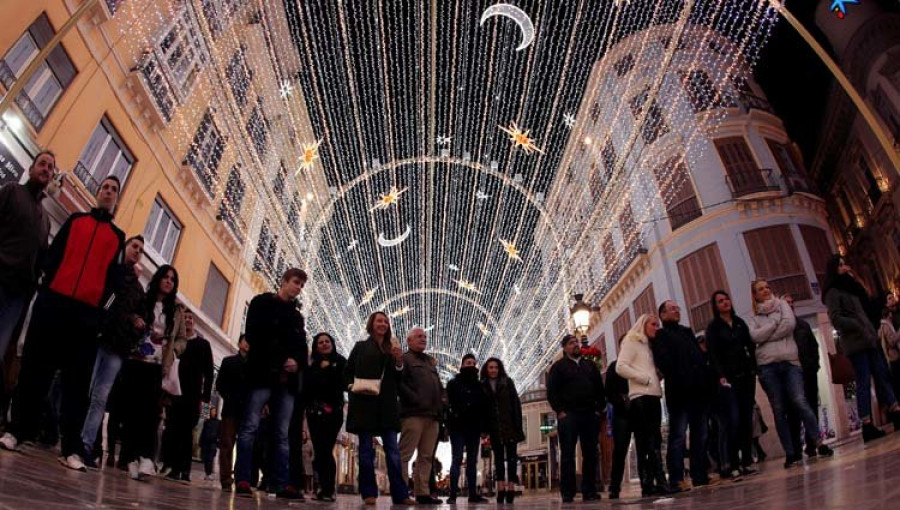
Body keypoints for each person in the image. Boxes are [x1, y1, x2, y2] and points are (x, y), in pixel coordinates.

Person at [0, 176, 125, 473]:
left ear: (116, 199)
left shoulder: (117, 237)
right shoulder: (75, 221)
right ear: (98, 193)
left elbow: (115, 286)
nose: (107, 191)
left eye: (113, 190)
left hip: (86, 317)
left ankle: (71, 448)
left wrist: (100, 317)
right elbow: (52, 256)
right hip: (53, 305)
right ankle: (17, 431)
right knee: (33, 371)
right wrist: (45, 289)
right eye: (105, 187)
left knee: (77, 385)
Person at [234, 268, 308, 499]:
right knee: (250, 427)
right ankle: (244, 478)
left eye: (301, 285)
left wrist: (296, 363)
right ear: (284, 281)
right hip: (262, 375)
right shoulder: (261, 304)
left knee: (281, 433)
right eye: (296, 282)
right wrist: (280, 359)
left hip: (285, 382)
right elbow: (255, 335)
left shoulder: (297, 317)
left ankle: (279, 482)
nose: (298, 288)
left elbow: (301, 346)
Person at [748, 279, 833, 468]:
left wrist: (767, 334)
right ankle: (790, 453)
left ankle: (818, 442)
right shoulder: (753, 319)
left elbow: (789, 325)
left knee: (800, 401)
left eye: (767, 287)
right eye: (761, 289)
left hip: (790, 362)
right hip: (768, 366)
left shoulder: (783, 306)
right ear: (755, 294)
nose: (766, 291)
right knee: (779, 410)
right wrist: (775, 325)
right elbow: (754, 336)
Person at [80, 235, 146, 469]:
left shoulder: (138, 290)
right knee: (85, 390)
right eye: (134, 246)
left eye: (140, 249)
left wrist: (135, 324)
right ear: (125, 247)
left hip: (118, 348)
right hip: (98, 338)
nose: (137, 251)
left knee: (100, 397)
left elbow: (140, 318)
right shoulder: (112, 272)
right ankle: (75, 440)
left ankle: (86, 445)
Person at [120, 264, 187, 480]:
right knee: (132, 410)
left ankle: (147, 458)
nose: (168, 281)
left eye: (172, 279)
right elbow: (127, 315)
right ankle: (130, 458)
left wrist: (174, 352)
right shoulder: (143, 299)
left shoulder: (176, 310)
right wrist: (134, 320)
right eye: (165, 277)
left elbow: (182, 339)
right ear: (158, 278)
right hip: (135, 360)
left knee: (150, 413)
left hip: (158, 366)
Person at [823, 256, 900, 441]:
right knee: (863, 381)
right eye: (840, 265)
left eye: (844, 264)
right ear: (833, 269)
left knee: (882, 375)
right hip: (856, 342)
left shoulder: (852, 288)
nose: (844, 267)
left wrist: (856, 278)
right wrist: (858, 325)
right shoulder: (833, 292)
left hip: (869, 338)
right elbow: (836, 318)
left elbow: (866, 309)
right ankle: (866, 424)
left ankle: (896, 409)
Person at [344, 312, 414, 506]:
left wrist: (399, 362)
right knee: (365, 451)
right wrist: (351, 386)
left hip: (387, 405)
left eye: (385, 321)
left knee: (393, 452)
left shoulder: (393, 348)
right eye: (379, 321)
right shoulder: (360, 347)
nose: (383, 324)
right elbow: (347, 372)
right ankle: (368, 492)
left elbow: (400, 379)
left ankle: (400, 494)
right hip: (365, 403)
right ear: (371, 324)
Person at [652, 301, 713, 491]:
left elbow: (698, 357)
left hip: (698, 391)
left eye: (677, 308)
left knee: (700, 434)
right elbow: (664, 362)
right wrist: (682, 375)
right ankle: (677, 478)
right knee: (678, 436)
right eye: (672, 309)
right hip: (679, 392)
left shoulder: (687, 332)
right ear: (662, 315)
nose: (677, 310)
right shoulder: (661, 335)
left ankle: (700, 475)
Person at [0, 150, 53, 363]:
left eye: (50, 168)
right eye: (42, 164)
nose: (46, 169)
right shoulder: (12, 191)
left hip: (17, 297)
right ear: (31, 169)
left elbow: (41, 260)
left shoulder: (46, 220)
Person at [547, 334, 606, 503]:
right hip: (569, 415)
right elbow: (552, 391)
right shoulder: (558, 368)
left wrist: (598, 409)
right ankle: (568, 491)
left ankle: (589, 490)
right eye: (571, 343)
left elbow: (599, 388)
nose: (576, 345)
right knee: (567, 455)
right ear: (564, 348)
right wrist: (560, 411)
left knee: (591, 453)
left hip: (589, 414)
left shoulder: (589, 365)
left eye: (576, 342)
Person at [705, 290, 757, 477]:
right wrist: (721, 375)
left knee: (746, 420)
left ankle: (747, 462)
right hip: (729, 380)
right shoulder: (713, 328)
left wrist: (753, 368)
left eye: (726, 299)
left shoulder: (740, 323)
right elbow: (713, 354)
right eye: (720, 301)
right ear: (715, 305)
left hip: (746, 377)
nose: (725, 302)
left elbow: (750, 346)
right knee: (733, 421)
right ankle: (732, 463)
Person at [615, 314, 668, 497]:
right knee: (645, 441)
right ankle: (649, 483)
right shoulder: (631, 341)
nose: (656, 327)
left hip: (653, 395)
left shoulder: (648, 345)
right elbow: (620, 366)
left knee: (654, 440)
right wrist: (644, 378)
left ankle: (657, 480)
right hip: (640, 397)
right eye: (653, 324)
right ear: (643, 324)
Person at [161, 308, 214, 482]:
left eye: (191, 318)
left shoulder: (203, 345)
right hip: (175, 393)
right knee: (173, 429)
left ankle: (184, 471)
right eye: (186, 318)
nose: (189, 320)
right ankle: (172, 467)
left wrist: (205, 399)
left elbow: (209, 373)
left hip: (193, 397)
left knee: (186, 432)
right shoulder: (177, 343)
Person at [398, 327, 444, 505]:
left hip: (432, 416)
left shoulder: (429, 362)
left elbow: (438, 386)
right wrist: (414, 399)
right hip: (413, 414)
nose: (423, 339)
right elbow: (400, 384)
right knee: (405, 455)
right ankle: (401, 491)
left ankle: (422, 493)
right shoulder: (405, 359)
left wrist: (442, 403)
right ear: (408, 341)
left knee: (426, 457)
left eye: (424, 336)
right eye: (418, 336)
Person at [304, 332, 346, 502]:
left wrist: (328, 369)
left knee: (325, 449)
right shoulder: (311, 363)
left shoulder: (341, 361)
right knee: (320, 450)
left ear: (332, 343)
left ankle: (327, 489)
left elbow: (343, 384)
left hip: (333, 412)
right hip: (314, 412)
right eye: (320, 342)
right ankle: (322, 488)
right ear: (315, 345)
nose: (323, 344)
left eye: (327, 341)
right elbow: (307, 386)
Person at [446, 353, 489, 504]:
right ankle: (452, 494)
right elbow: (448, 405)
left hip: (474, 428)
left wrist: (484, 428)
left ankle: (473, 494)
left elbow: (484, 408)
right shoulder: (453, 383)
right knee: (457, 459)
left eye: (473, 363)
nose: (471, 365)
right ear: (462, 365)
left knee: (472, 462)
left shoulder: (480, 385)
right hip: (457, 427)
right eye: (468, 362)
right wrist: (449, 424)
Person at [481, 357, 523, 505]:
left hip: (509, 426)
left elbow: (516, 404)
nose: (493, 370)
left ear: (500, 369)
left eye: (496, 367)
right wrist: (484, 429)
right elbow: (482, 410)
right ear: (486, 369)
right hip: (494, 428)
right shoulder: (483, 386)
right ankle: (500, 489)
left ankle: (511, 488)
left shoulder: (507, 382)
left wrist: (518, 425)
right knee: (498, 460)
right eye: (491, 367)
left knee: (512, 458)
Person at [784, 294, 822, 459]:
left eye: (792, 302)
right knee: (794, 411)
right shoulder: (783, 329)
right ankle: (796, 448)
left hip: (808, 371)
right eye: (787, 303)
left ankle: (812, 444)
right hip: (792, 374)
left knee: (812, 407)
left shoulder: (803, 325)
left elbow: (814, 346)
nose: (791, 305)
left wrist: (814, 365)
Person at [217, 334, 250, 491]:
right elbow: (220, 384)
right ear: (239, 343)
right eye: (245, 340)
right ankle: (225, 479)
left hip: (247, 411)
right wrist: (230, 397)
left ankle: (242, 477)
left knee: (245, 444)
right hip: (230, 409)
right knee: (227, 444)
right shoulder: (228, 361)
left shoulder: (254, 365)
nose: (248, 343)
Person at [605, 336, 631, 500]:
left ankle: (647, 482)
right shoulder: (614, 367)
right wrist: (621, 400)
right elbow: (608, 391)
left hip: (639, 411)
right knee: (620, 451)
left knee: (645, 448)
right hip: (622, 414)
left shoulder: (638, 364)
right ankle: (615, 487)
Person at [879, 307, 900, 403]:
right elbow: (891, 341)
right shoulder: (886, 326)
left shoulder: (884, 325)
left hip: (893, 358)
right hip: (894, 358)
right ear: (888, 314)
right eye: (890, 313)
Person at [200, 407, 221, 480]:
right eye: (212, 411)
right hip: (206, 442)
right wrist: (201, 441)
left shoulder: (218, 422)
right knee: (206, 458)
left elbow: (219, 433)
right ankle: (207, 473)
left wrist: (218, 441)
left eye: (214, 411)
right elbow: (203, 431)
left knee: (210, 458)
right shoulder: (207, 422)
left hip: (213, 442)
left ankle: (209, 473)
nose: (213, 413)